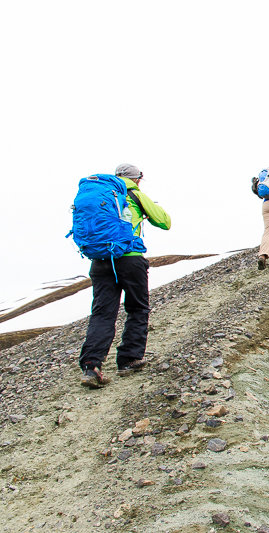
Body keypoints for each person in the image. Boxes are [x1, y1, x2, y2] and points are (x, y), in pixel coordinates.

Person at [79, 163, 171, 388]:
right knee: (137, 307)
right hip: (130, 259)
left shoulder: (104, 194)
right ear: (137, 179)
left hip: (101, 260)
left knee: (102, 313)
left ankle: (91, 366)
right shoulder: (135, 194)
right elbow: (165, 222)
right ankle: (129, 359)